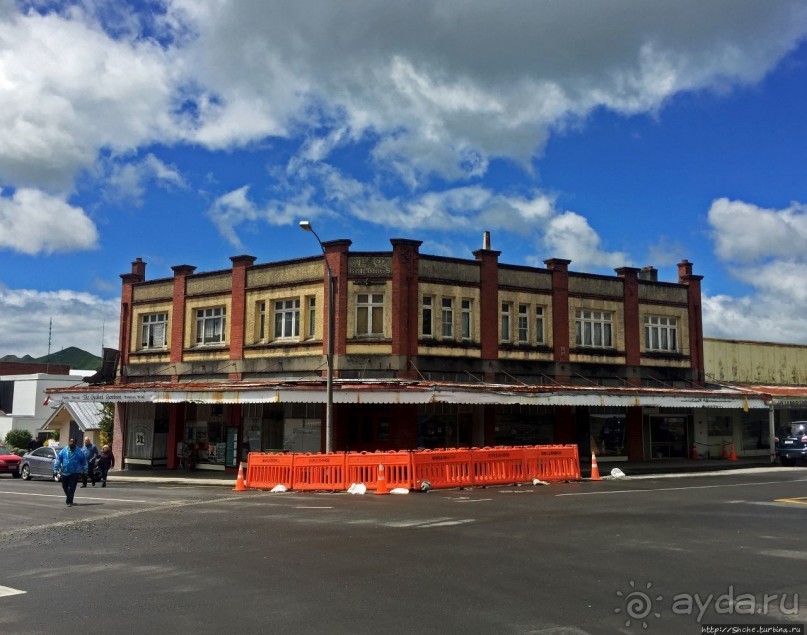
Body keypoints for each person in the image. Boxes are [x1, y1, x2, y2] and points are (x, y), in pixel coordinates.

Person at [53, 438, 87, 507]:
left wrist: (85, 471)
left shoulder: (79, 452)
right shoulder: (64, 450)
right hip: (64, 472)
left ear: (75, 443)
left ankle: (69, 501)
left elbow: (84, 462)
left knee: (71, 487)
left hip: (74, 472)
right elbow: (58, 459)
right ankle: (69, 497)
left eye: (73, 442)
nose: (71, 443)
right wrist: (55, 469)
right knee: (64, 486)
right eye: (70, 442)